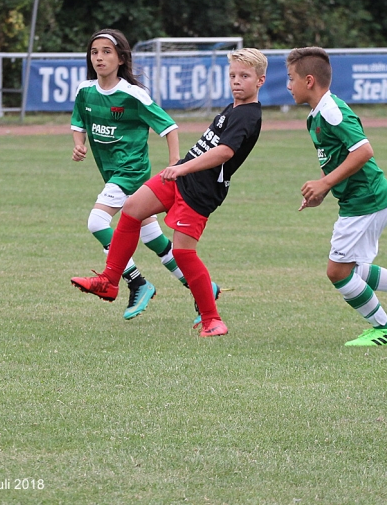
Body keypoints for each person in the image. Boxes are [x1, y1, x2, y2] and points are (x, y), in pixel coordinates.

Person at [71, 48, 268, 337]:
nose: (236, 81)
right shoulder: (234, 108)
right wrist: (181, 166)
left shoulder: (249, 116)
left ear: (260, 81)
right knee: (133, 209)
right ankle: (110, 280)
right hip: (183, 177)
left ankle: (213, 319)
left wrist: (182, 168)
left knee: (183, 252)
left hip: (201, 190)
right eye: (232, 75)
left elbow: (225, 152)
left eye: (244, 76)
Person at [286, 46, 387, 347]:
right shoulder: (314, 117)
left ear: (308, 81)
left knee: (337, 272)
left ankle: (386, 328)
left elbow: (364, 151)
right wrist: (323, 189)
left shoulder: (332, 110)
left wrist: (325, 183)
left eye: (291, 79)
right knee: (350, 269)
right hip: (362, 201)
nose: (288, 86)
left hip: (367, 200)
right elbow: (337, 159)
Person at [70, 29, 192, 319]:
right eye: (94, 52)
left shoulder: (132, 94)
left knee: (97, 222)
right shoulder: (85, 91)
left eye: (106, 52)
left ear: (121, 58)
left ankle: (137, 282)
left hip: (131, 171)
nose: (99, 57)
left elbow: (169, 127)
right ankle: (203, 287)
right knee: (153, 236)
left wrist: (174, 163)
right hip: (112, 171)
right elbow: (78, 122)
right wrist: (79, 145)